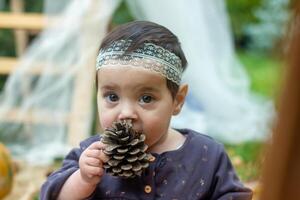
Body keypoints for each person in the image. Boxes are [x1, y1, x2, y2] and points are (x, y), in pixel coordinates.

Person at [40, 21, 252, 200]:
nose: (126, 113)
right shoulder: (90, 156)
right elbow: (52, 195)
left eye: (146, 98)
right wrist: (83, 179)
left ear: (177, 100)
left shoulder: (207, 155)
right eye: (112, 97)